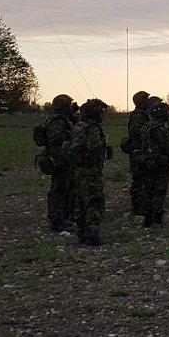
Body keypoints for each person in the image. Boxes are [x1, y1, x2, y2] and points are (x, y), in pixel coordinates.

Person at [68, 98, 111, 246]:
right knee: (95, 201)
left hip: (78, 170)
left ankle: (81, 233)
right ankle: (92, 236)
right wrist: (103, 148)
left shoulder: (78, 126)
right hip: (91, 171)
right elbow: (93, 147)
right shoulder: (93, 128)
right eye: (102, 112)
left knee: (80, 201)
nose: (103, 116)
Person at [39, 93, 77, 231]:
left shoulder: (64, 120)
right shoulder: (57, 121)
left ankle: (64, 217)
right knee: (59, 190)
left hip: (64, 158)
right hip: (59, 159)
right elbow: (55, 140)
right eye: (69, 105)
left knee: (67, 188)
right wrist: (71, 135)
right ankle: (56, 220)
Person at [137, 100, 169, 227]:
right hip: (159, 164)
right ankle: (156, 218)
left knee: (148, 190)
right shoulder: (158, 129)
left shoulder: (146, 126)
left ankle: (147, 219)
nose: (168, 115)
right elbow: (167, 146)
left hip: (146, 163)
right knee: (159, 191)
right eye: (167, 113)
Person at [124, 90, 152, 215]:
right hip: (138, 151)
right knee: (139, 179)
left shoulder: (144, 114)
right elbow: (136, 134)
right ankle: (138, 206)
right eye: (147, 99)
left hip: (143, 150)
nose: (149, 102)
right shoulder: (138, 116)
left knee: (145, 178)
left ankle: (143, 204)